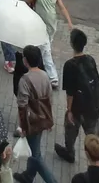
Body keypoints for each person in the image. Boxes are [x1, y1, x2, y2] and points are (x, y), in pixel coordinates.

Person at [54, 29, 99, 163]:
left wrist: (69, 110)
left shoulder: (69, 65)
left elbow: (70, 92)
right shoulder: (91, 60)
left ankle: (69, 152)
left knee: (71, 129)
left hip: (77, 107)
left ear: (71, 44)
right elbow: (96, 81)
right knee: (93, 135)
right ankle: (96, 157)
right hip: (92, 106)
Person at [13, 44, 57, 183]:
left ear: (25, 61)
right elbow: (49, 99)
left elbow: (22, 106)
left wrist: (23, 127)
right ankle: (28, 176)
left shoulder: (24, 80)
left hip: (32, 122)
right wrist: (49, 119)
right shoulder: (45, 75)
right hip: (43, 118)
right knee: (34, 150)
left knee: (36, 156)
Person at [26, 0, 73, 88]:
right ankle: (53, 78)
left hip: (52, 27)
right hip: (40, 27)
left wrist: (69, 22)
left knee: (43, 49)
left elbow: (61, 7)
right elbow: (26, 4)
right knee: (46, 51)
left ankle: (34, 66)